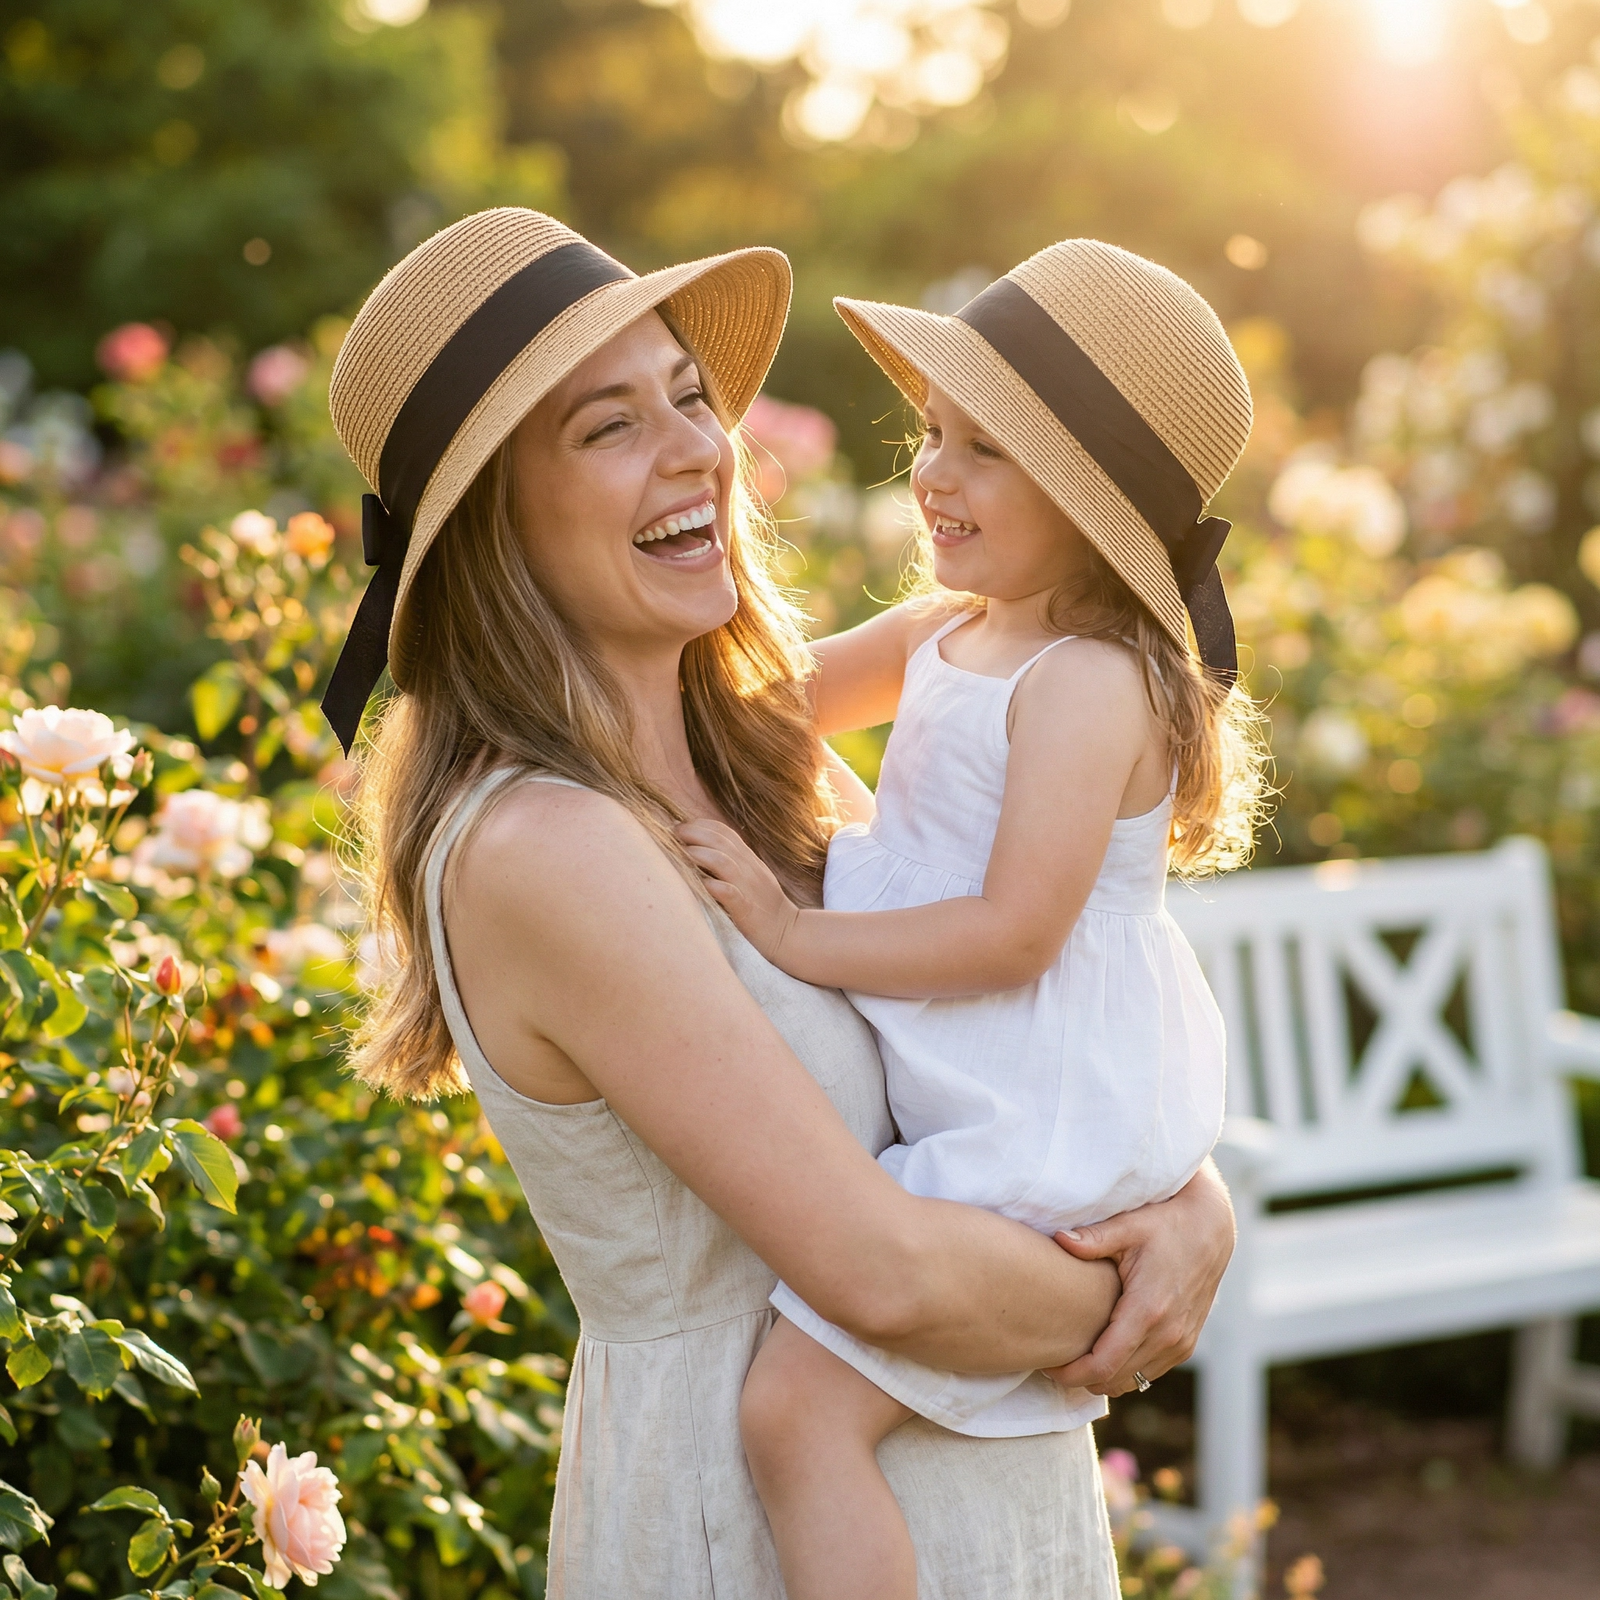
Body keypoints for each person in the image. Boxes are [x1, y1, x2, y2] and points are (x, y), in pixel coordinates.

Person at [325, 207, 1238, 1600]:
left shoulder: (768, 759)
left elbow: (1010, 1019)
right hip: (742, 1522)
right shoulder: (544, 846)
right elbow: (880, 1275)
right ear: (493, 521)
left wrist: (1193, 1203)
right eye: (607, 425)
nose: (696, 445)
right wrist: (1138, 1289)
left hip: (975, 1480)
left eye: (690, 395)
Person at [681, 239, 1267, 1600]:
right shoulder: (953, 627)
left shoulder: (1086, 680)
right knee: (814, 1411)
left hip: (1044, 1089)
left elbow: (1012, 933)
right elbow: (760, 712)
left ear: (1089, 493)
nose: (932, 475)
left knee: (796, 1414)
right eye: (932, 434)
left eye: (985, 449)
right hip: (984, 1055)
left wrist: (790, 929)